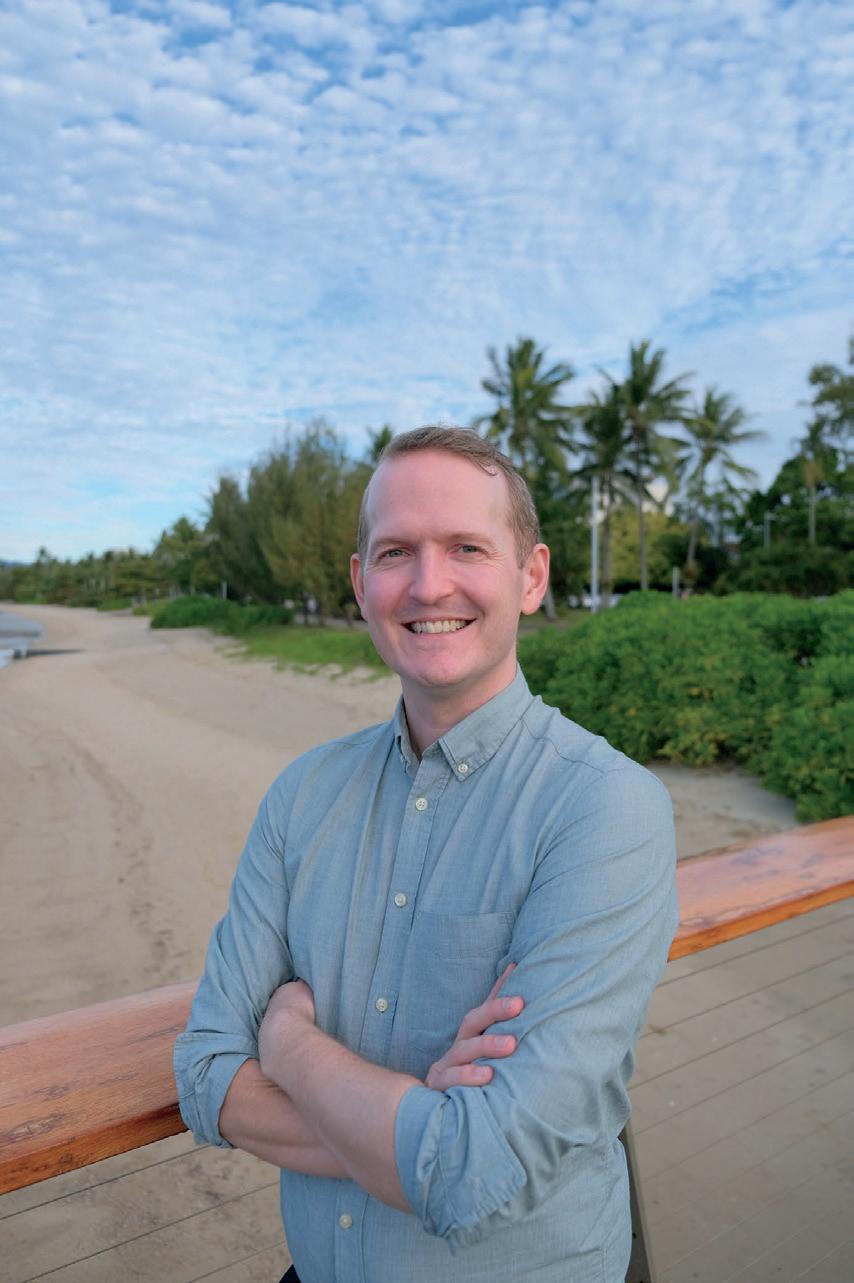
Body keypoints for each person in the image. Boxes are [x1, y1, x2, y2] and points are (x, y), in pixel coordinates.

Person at [174, 425, 678, 1283]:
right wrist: (412, 1125)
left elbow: (476, 1166)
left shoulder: (604, 807)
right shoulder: (302, 796)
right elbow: (206, 1071)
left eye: (466, 547)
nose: (428, 583)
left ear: (531, 576)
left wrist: (288, 1043)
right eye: (396, 551)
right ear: (360, 582)